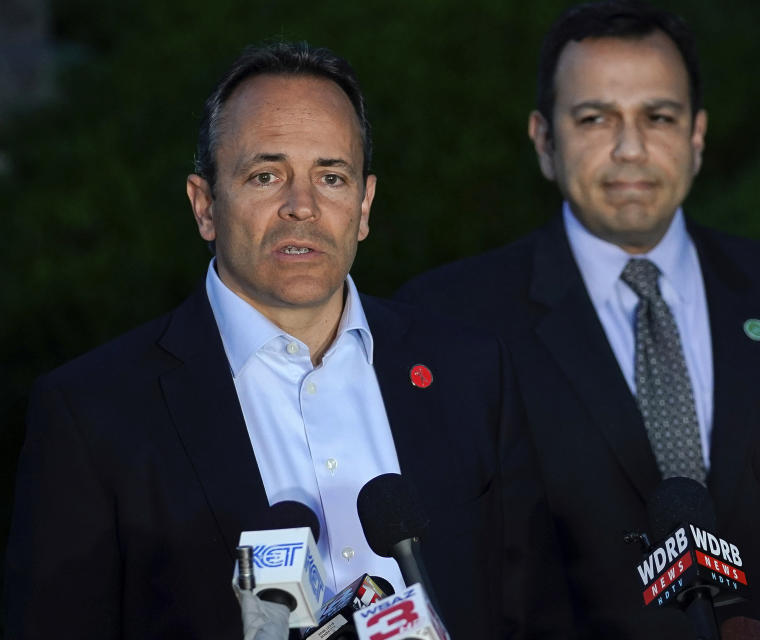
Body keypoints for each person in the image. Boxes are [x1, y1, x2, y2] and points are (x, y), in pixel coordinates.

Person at [4, 42, 567, 639]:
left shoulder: (469, 370)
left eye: (331, 177)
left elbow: (535, 614)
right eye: (266, 176)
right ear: (205, 207)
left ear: (365, 205)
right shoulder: (92, 414)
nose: (302, 207)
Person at [397, 2, 760, 637]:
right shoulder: (449, 320)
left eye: (658, 117)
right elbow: (457, 567)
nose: (630, 148)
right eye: (595, 118)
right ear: (544, 140)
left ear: (696, 137)